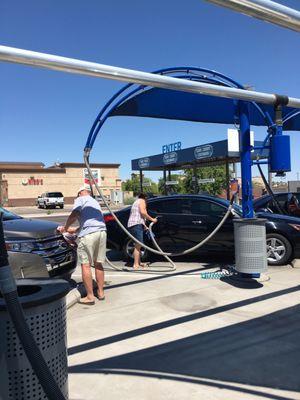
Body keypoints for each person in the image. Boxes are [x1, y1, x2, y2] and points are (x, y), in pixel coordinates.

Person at [58, 186, 106, 305]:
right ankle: (101, 292)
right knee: (98, 263)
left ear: (80, 193)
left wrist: (66, 227)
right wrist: (74, 230)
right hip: (101, 232)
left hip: (88, 236)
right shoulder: (94, 201)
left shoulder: (81, 199)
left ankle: (90, 296)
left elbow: (74, 214)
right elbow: (90, 222)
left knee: (86, 265)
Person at [127, 193, 157, 270]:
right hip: (136, 225)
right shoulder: (142, 201)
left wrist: (144, 226)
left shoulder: (137, 201)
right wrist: (152, 219)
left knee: (138, 245)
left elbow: (138, 216)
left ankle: (139, 263)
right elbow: (143, 213)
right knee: (138, 245)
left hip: (135, 225)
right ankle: (136, 264)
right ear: (145, 198)